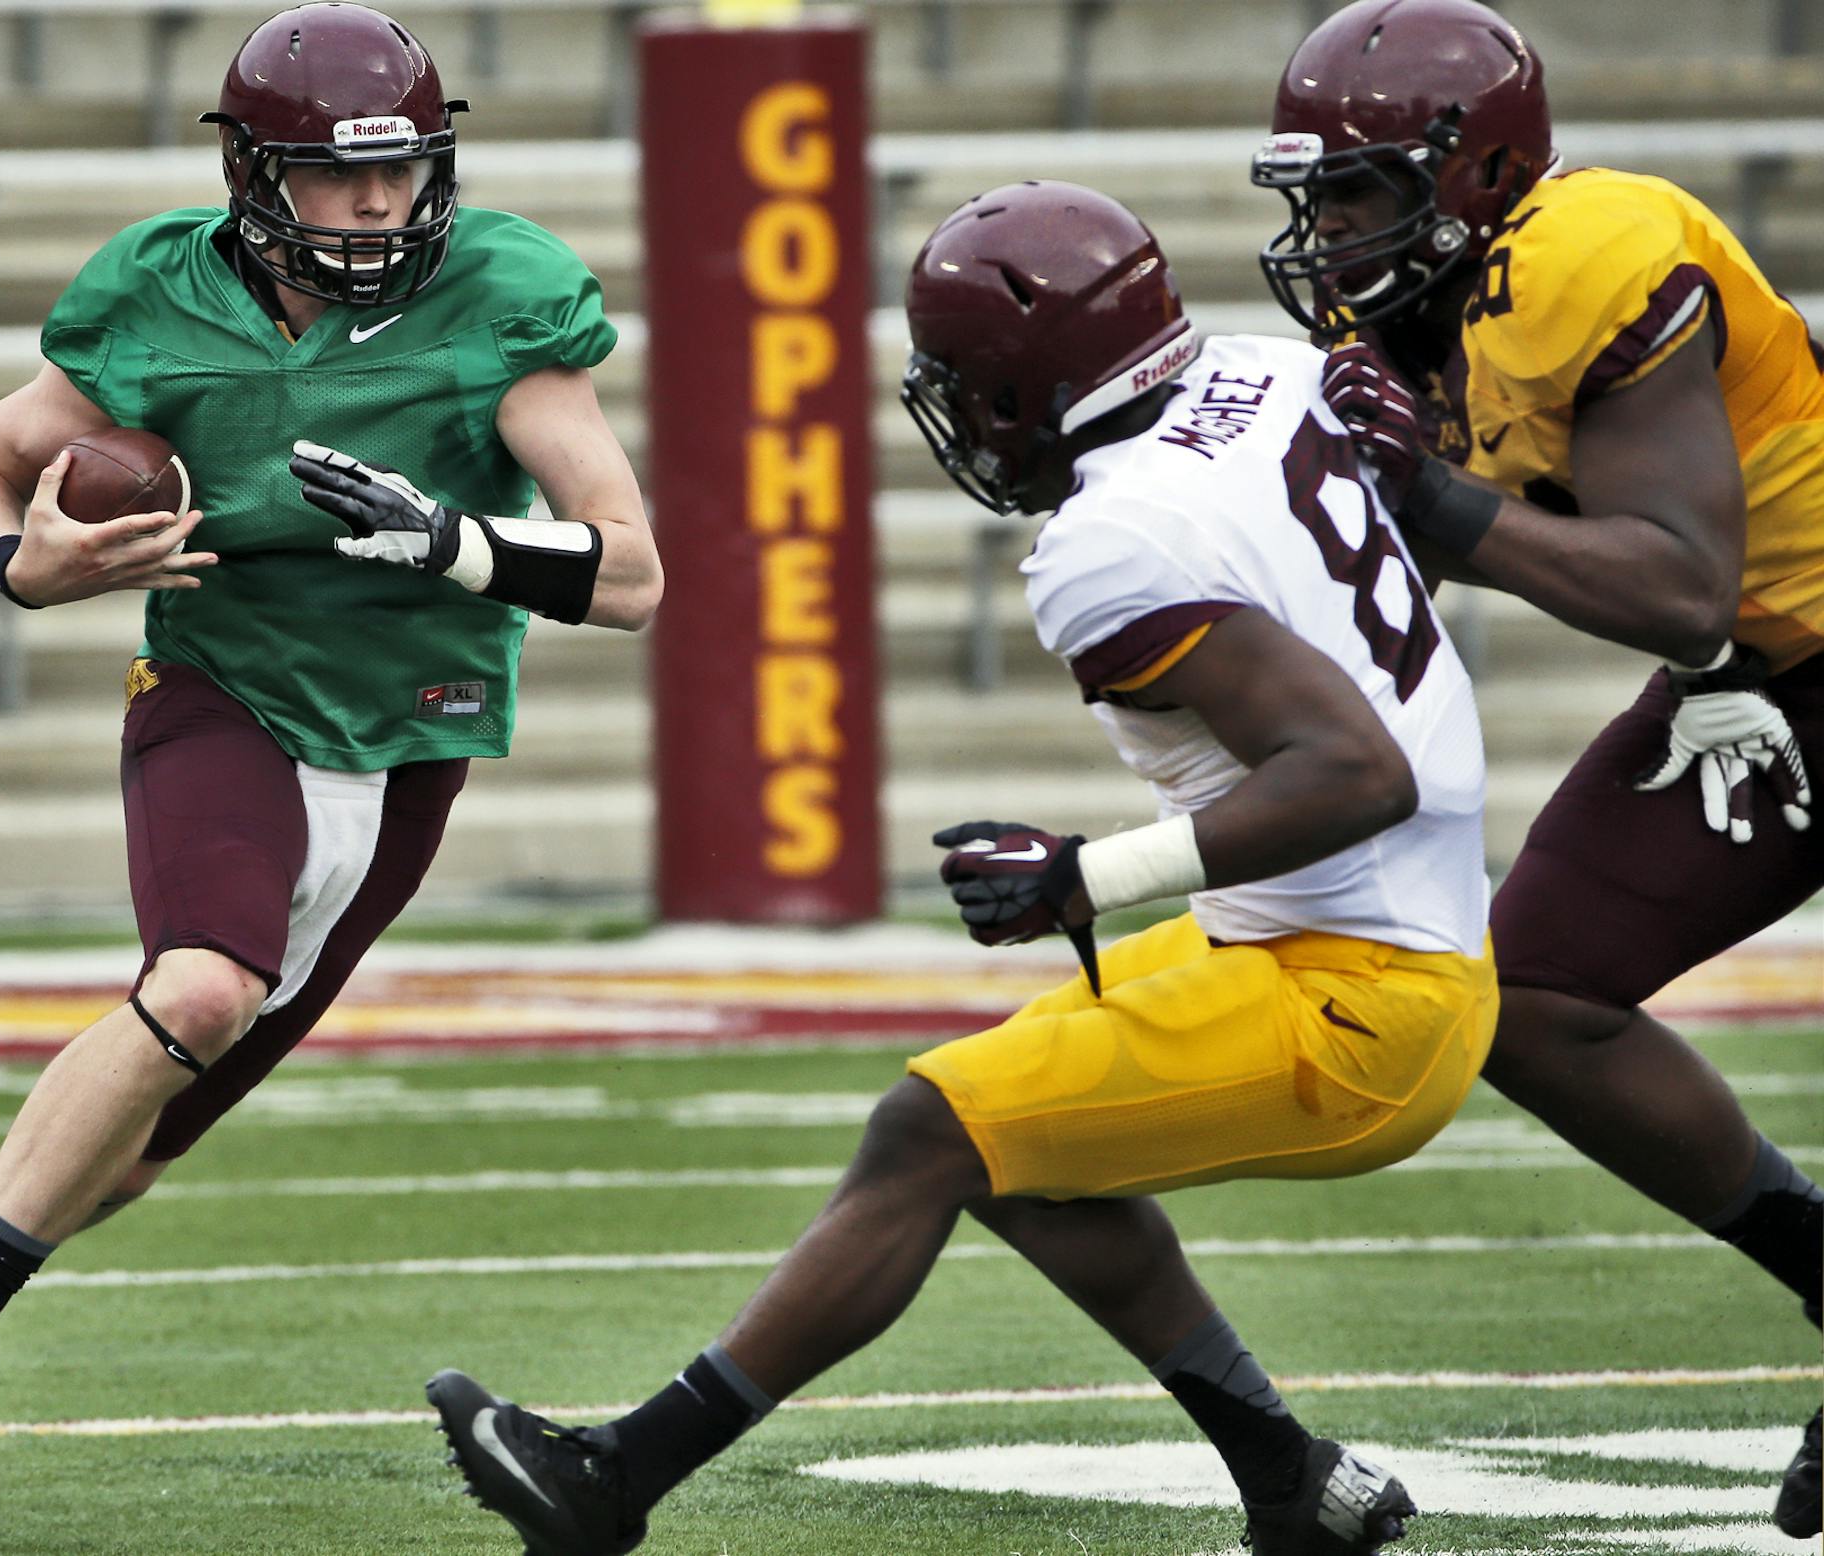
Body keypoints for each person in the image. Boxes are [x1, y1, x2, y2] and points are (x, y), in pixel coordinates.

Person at [428, 180, 1495, 1556]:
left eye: (973, 386)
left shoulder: (1111, 538)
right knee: (1010, 1146)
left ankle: (615, 1480)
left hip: (1361, 995)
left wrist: (1084, 877)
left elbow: (1357, 771)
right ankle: (1294, 1483)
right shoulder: (1266, 373)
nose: (968, 417)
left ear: (1027, 382)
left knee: (933, 1131)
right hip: (1362, 931)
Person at [0, 2, 660, 1504]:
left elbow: (632, 572)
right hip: (219, 689)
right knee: (197, 984)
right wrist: (18, 562)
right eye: (337, 174)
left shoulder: (505, 290)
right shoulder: (157, 289)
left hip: (405, 746)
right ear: (256, 175)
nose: (379, 203)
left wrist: (451, 542)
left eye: (400, 171)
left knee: (125, 1158)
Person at [1250, 0, 1822, 1537]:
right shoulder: (1396, 319)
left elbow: (1678, 584)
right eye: (1319, 194)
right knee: (1540, 994)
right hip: (1771, 682)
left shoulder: (1595, 254)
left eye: (1361, 190)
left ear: (1481, 171)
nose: (1333, 228)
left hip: (1744, 636)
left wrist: (1427, 501)